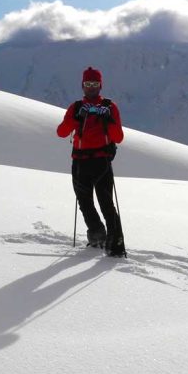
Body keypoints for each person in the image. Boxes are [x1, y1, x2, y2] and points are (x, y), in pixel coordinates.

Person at [56, 66, 126, 257]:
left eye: (95, 84)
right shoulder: (77, 108)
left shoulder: (110, 107)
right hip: (82, 162)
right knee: (85, 203)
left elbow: (118, 137)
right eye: (88, 84)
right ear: (83, 85)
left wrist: (108, 120)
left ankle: (113, 242)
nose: (91, 87)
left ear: (100, 85)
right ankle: (100, 237)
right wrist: (77, 119)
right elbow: (62, 132)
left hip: (99, 161)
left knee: (105, 203)